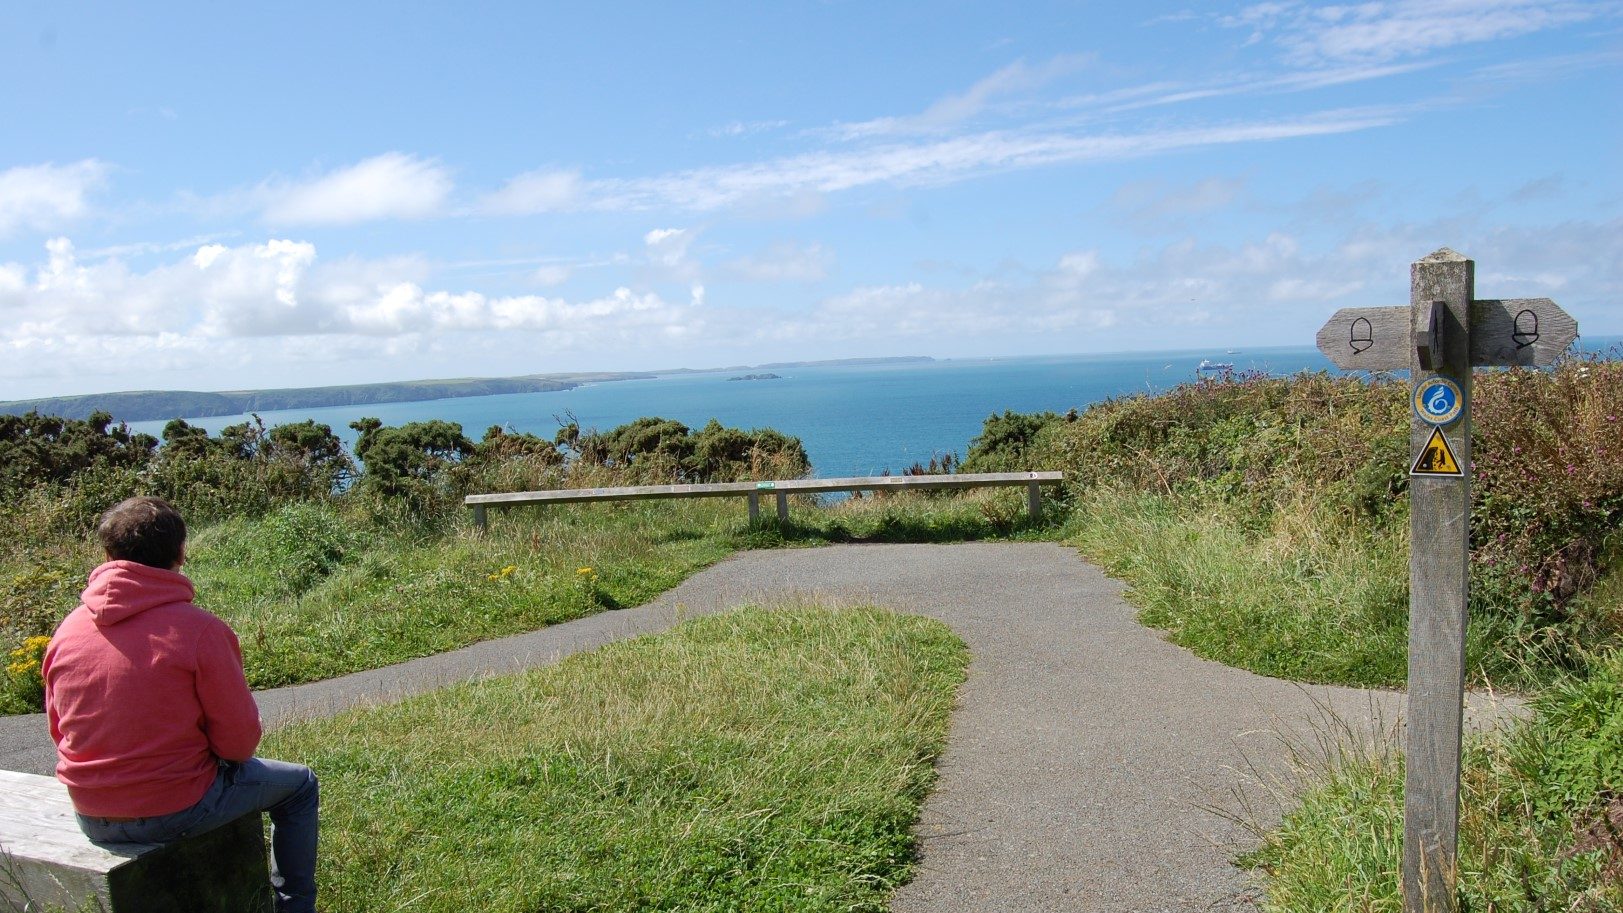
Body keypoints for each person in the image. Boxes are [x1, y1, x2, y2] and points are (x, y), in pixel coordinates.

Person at [43, 496, 319, 913]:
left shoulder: (67, 631)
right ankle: (295, 907)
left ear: (107, 555)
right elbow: (239, 746)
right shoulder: (200, 630)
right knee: (300, 786)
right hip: (177, 807)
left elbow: (58, 730)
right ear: (180, 552)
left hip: (91, 812)